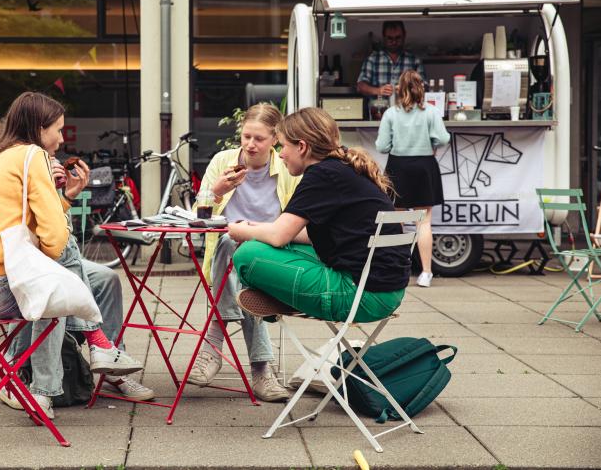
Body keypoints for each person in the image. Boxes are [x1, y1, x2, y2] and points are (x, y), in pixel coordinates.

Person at [0, 92, 145, 418]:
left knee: (105, 277)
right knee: (56, 288)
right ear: (40, 129)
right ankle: (64, 374)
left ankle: (100, 350)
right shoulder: (33, 155)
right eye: (58, 129)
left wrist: (64, 196)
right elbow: (54, 239)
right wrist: (56, 202)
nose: (61, 137)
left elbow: (31, 225)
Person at [227, 107, 411, 328]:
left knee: (247, 254)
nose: (281, 154)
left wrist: (238, 230)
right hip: (386, 291)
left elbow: (278, 236)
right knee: (272, 245)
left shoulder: (321, 175)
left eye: (283, 146)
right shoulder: (344, 167)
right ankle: (286, 295)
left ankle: (284, 297)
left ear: (302, 147)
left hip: (360, 295)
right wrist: (262, 228)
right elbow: (300, 235)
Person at [192, 103, 301, 402]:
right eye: (246, 136)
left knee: (245, 258)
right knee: (232, 249)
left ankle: (214, 338)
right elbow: (197, 217)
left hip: (270, 253)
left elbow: (295, 223)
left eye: (259, 139)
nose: (251, 145)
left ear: (275, 139)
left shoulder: (288, 170)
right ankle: (262, 370)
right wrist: (218, 190)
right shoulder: (222, 161)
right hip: (226, 257)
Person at [376, 70, 450, 288]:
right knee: (423, 221)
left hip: (398, 166)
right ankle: (426, 273)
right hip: (424, 167)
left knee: (397, 221)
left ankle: (398, 270)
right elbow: (443, 138)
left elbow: (381, 146)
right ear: (422, 88)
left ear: (399, 89)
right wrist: (431, 142)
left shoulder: (391, 113)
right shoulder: (431, 112)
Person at [356, 21, 425, 100]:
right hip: (379, 111)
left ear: (404, 36)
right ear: (384, 37)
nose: (394, 41)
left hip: (407, 110)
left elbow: (423, 87)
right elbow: (360, 86)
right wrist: (378, 91)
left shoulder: (414, 61)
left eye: (398, 38)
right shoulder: (372, 60)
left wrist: (406, 90)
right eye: (390, 38)